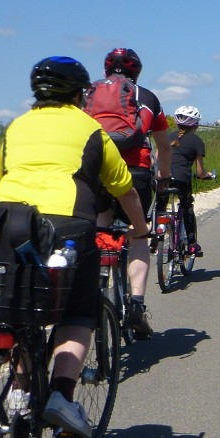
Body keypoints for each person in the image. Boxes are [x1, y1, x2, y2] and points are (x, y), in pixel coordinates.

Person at [0, 56, 148, 438]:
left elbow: (1, 175)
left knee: (20, 305)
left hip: (7, 221)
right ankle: (62, 396)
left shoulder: (16, 126)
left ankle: (19, 392)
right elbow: (122, 187)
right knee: (78, 309)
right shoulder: (89, 129)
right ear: (80, 94)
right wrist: (140, 229)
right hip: (68, 223)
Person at [92, 48, 172, 340]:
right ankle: (136, 302)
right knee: (139, 233)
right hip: (135, 172)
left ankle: (97, 286)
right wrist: (164, 176)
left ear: (105, 72)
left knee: (102, 225)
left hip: (96, 170)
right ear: (137, 72)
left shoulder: (91, 94)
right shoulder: (148, 98)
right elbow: (164, 146)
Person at [156, 105, 213, 257]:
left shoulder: (168, 137)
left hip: (162, 177)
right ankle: (192, 244)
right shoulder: (196, 141)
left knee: (160, 207)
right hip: (182, 179)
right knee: (187, 206)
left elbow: (156, 158)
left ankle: (156, 238)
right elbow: (200, 172)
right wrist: (207, 175)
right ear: (195, 125)